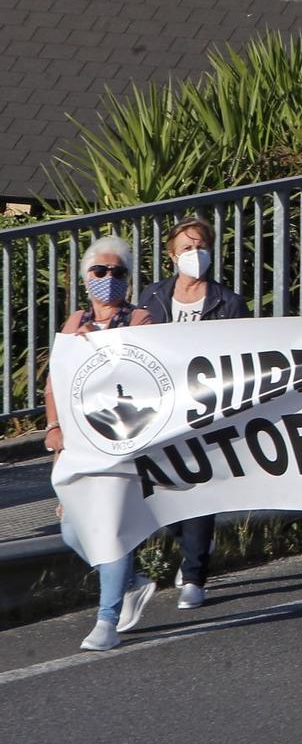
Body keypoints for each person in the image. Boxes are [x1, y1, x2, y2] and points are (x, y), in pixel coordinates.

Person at [46, 235, 159, 651]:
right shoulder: (73, 323)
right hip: (78, 443)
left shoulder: (141, 320)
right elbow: (55, 383)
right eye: (100, 272)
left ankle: (106, 619)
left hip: (122, 442)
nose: (108, 279)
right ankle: (130, 582)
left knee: (108, 527)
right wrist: (54, 431)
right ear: (85, 277)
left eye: (118, 272)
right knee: (73, 529)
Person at [134, 216, 250, 609]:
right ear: (172, 255)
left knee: (198, 490)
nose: (194, 254)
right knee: (160, 491)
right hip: (160, 411)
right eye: (186, 247)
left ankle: (195, 576)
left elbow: (243, 355)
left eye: (201, 246)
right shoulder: (152, 298)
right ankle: (194, 546)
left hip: (205, 412)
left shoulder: (228, 302)